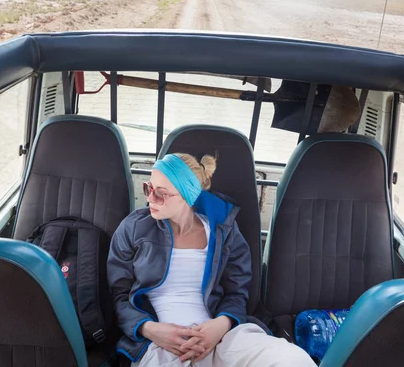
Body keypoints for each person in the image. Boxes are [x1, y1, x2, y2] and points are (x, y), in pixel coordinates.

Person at [107, 153, 315, 366]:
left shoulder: (223, 230)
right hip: (160, 345)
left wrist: (222, 324)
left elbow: (237, 292)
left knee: (293, 360)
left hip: (222, 336)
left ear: (187, 195)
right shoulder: (134, 228)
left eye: (160, 193)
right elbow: (119, 294)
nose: (149, 198)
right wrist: (148, 329)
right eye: (148, 188)